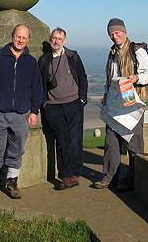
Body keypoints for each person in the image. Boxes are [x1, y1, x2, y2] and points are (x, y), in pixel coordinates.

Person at [0, 24, 44, 200]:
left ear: (28, 40)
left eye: (24, 37)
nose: (20, 40)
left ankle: (12, 183)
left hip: (21, 114)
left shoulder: (31, 62)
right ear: (12, 36)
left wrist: (34, 111)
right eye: (18, 36)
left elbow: (37, 89)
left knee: (17, 151)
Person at [93, 18, 148, 192]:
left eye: (117, 32)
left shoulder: (137, 49)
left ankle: (133, 179)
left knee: (134, 142)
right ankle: (110, 176)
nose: (115, 36)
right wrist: (106, 96)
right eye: (111, 33)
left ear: (125, 32)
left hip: (134, 102)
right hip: (115, 102)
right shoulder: (112, 53)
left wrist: (136, 78)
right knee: (111, 140)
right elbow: (110, 78)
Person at [38, 27, 88, 190]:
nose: (56, 41)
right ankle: (66, 176)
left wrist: (82, 99)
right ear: (50, 39)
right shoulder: (44, 60)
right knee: (62, 140)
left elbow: (82, 77)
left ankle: (75, 173)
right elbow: (40, 84)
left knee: (75, 139)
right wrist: (44, 103)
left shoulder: (72, 56)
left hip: (74, 103)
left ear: (64, 41)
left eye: (59, 39)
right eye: (53, 38)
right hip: (53, 106)